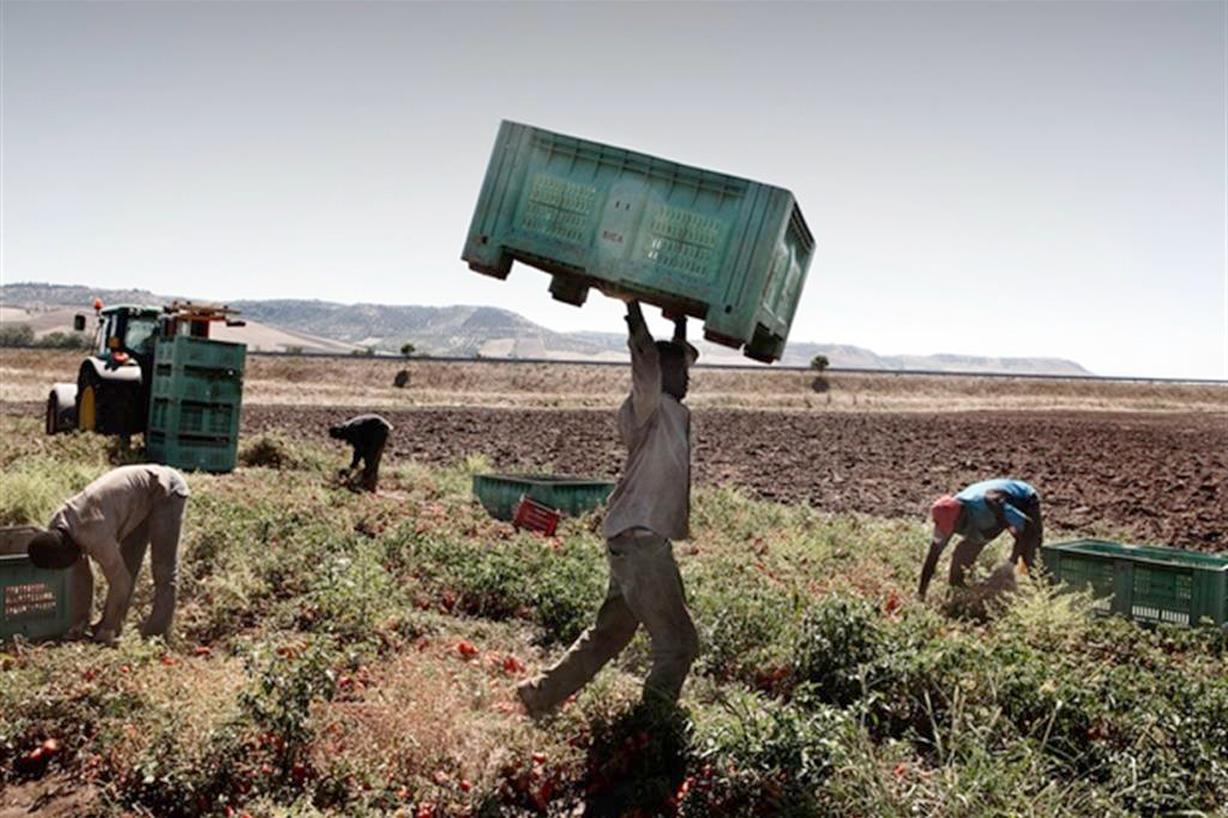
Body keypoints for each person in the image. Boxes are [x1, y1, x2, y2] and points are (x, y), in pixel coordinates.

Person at [518, 301, 700, 716]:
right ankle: (650, 727)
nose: (689, 379)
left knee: (610, 634)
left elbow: (663, 361)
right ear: (662, 372)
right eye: (683, 370)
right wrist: (633, 307)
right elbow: (645, 359)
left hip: (632, 539)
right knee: (679, 644)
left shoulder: (669, 408)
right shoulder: (648, 406)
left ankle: (539, 693)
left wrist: (682, 326)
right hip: (641, 543)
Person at [26, 464, 190, 643]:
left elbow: (120, 583)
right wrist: (80, 622)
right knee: (127, 564)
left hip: (164, 490)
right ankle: (112, 626)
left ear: (65, 553)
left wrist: (107, 628)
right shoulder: (59, 525)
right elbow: (82, 575)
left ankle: (156, 635)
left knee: (163, 569)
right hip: (136, 500)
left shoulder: (95, 535)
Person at [918, 478, 1043, 600]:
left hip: (1023, 500)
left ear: (961, 516)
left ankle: (1045, 594)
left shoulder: (990, 504)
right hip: (988, 521)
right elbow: (932, 556)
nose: (953, 532)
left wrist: (1011, 562)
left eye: (954, 527)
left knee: (1031, 554)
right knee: (962, 554)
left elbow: (1028, 528)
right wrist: (921, 594)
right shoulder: (947, 514)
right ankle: (958, 594)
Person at [328, 414, 393, 492]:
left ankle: (369, 486)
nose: (340, 440)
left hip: (380, 429)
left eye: (338, 438)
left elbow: (359, 450)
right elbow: (360, 447)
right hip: (374, 431)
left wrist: (353, 466)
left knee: (371, 458)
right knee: (370, 458)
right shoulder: (349, 427)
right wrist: (354, 465)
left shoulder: (351, 430)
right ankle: (369, 484)